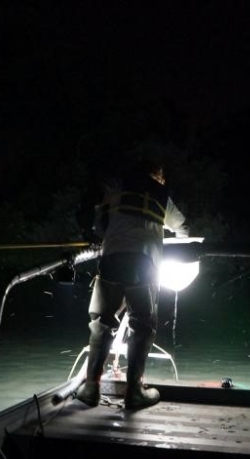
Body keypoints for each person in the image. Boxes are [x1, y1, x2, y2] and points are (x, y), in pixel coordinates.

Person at [75, 160, 188, 409]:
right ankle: (134, 391)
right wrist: (176, 245)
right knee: (142, 325)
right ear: (158, 176)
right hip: (144, 265)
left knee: (101, 322)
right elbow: (183, 228)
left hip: (112, 259)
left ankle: (91, 387)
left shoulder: (118, 184)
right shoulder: (161, 195)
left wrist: (90, 233)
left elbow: (91, 198)